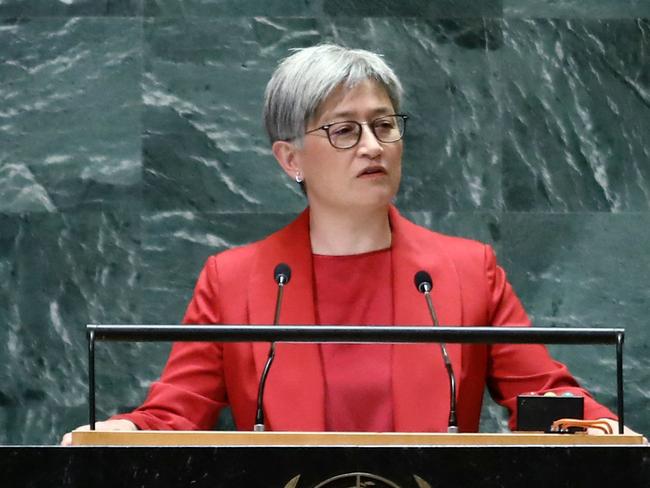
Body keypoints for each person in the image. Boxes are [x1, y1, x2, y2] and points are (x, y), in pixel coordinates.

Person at [62, 44, 633, 445]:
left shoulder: (466, 270)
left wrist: (611, 431)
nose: (372, 146)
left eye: (384, 125)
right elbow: (173, 413)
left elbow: (546, 397)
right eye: (343, 129)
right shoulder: (234, 280)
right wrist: (122, 432)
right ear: (290, 159)